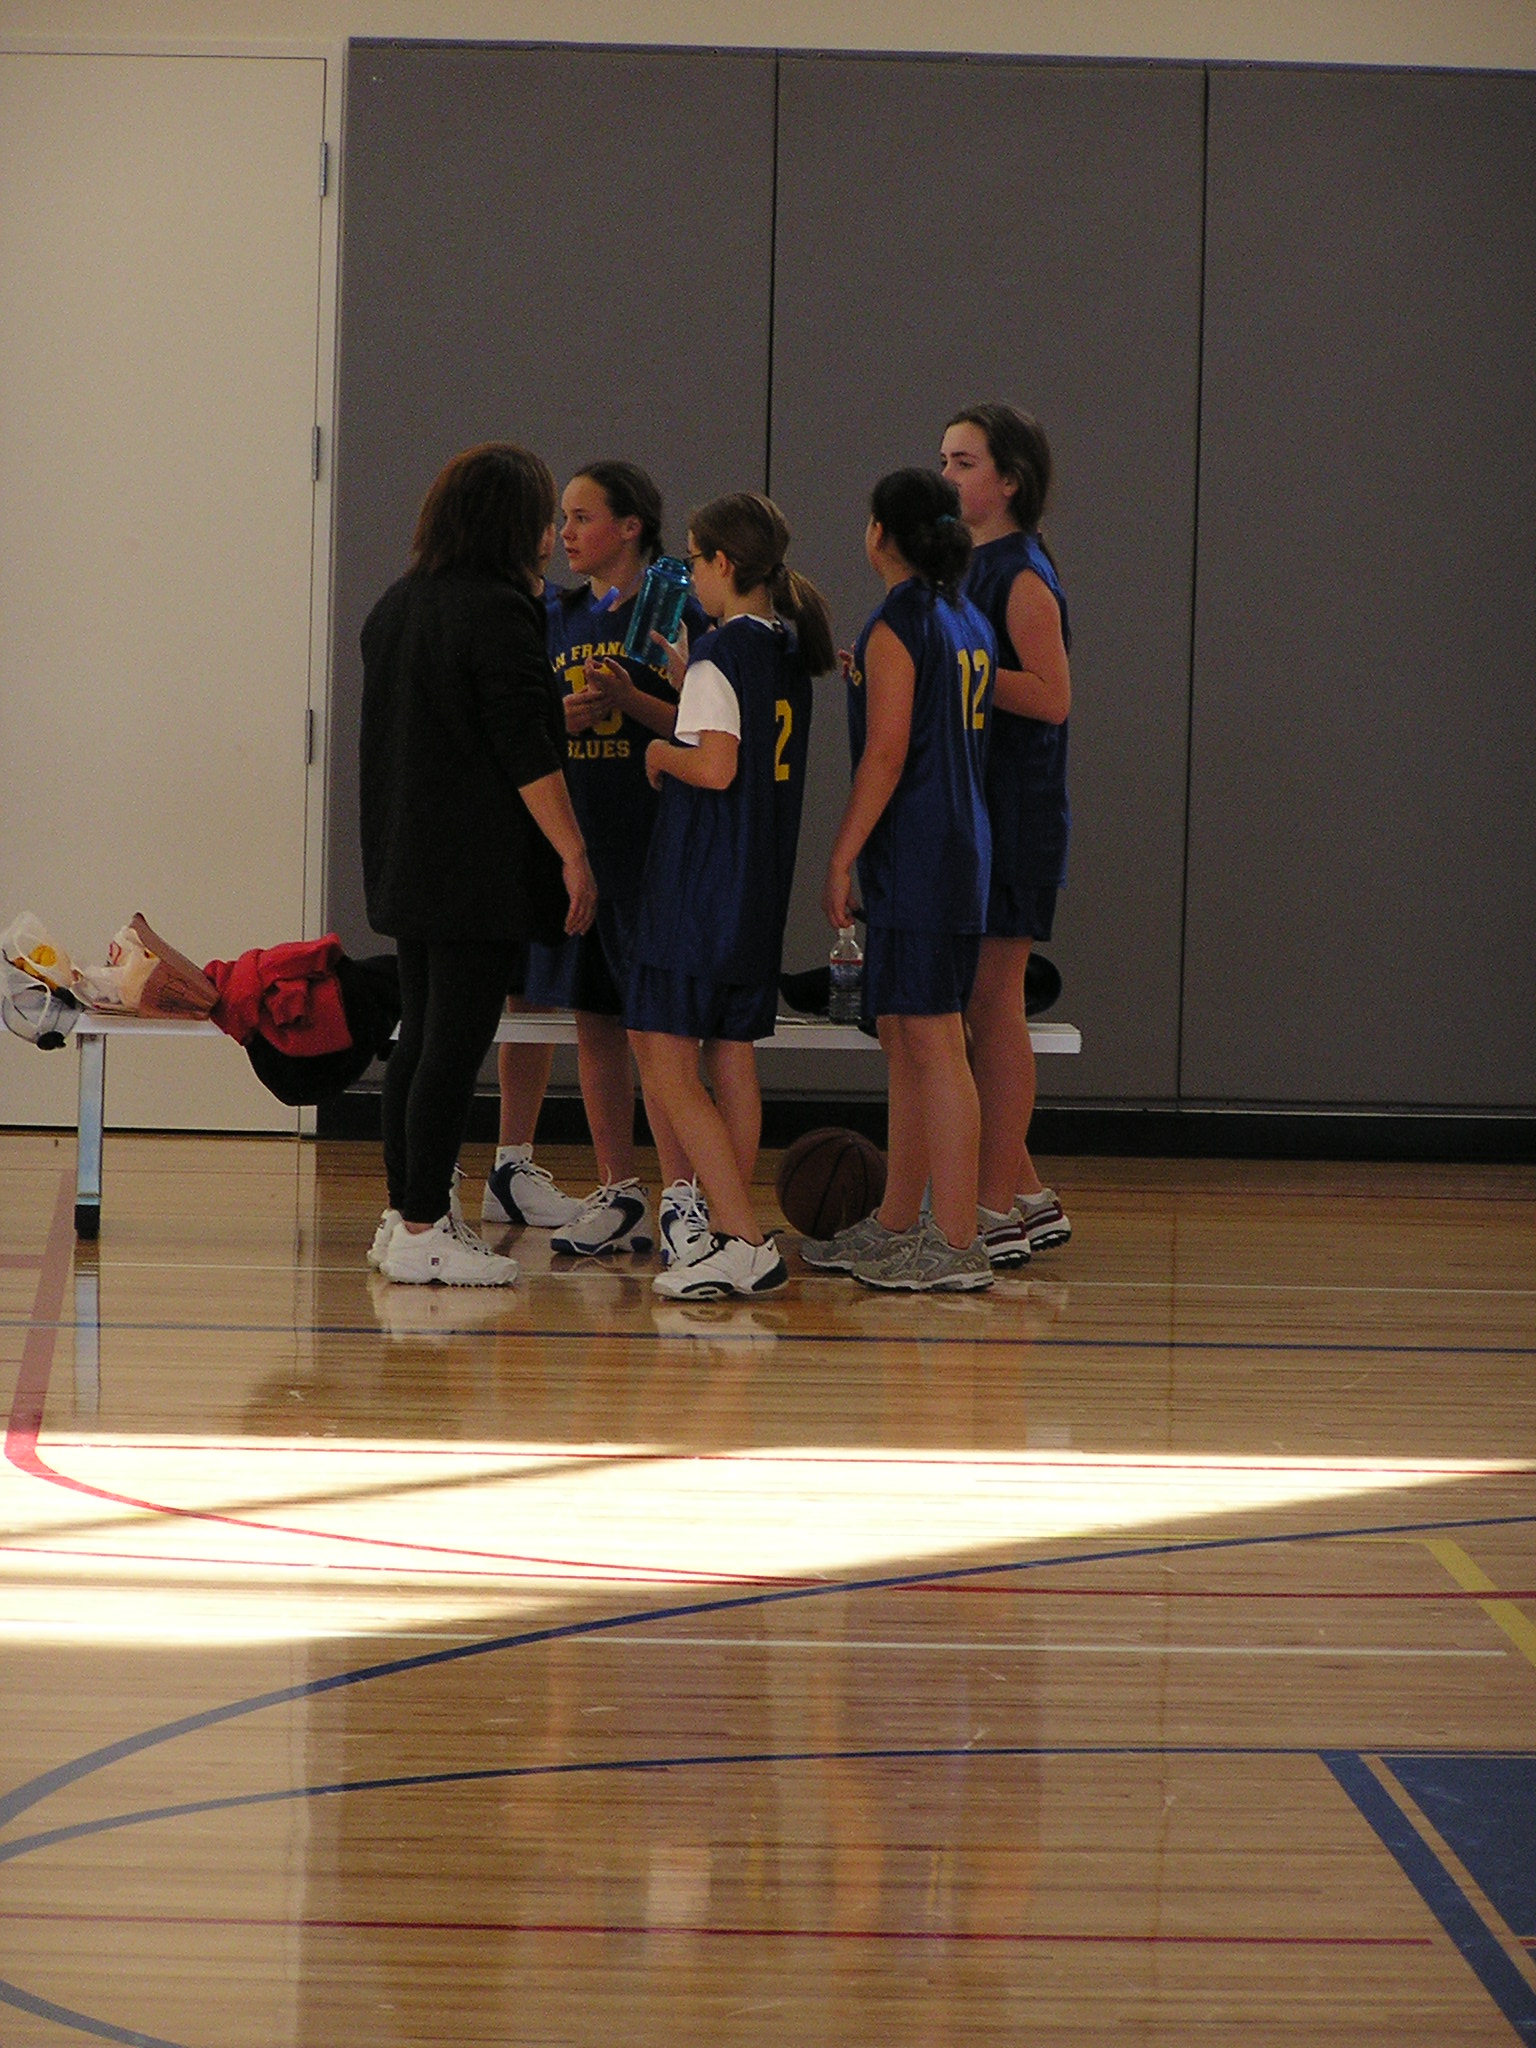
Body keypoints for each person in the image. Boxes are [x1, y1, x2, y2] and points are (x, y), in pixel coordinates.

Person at [359, 443, 596, 1287]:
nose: (551, 535)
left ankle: (405, 1213)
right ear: (513, 524)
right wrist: (573, 852)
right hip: (472, 868)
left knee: (420, 1040)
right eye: (543, 516)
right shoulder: (499, 611)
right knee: (450, 1048)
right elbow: (525, 752)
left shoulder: (398, 602)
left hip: (406, 856)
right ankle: (424, 1224)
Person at [484, 462, 713, 1263]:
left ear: (630, 526)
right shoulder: (556, 614)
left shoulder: (677, 607)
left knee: (660, 1034)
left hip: (655, 849)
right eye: (563, 516)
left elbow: (708, 727)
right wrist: (563, 716)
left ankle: (686, 1195)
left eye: (583, 517)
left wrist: (629, 703)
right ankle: (621, 1190)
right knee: (593, 1022)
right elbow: (525, 725)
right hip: (581, 850)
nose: (566, 532)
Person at [627, 492, 833, 1300]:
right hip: (756, 890)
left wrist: (657, 754)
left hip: (699, 890)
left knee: (666, 1061)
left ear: (721, 562)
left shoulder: (720, 652)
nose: (691, 575)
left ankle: (741, 1238)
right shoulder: (786, 649)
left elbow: (714, 766)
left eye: (693, 558)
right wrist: (690, 688)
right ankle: (729, 1231)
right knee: (733, 1058)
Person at [812, 468, 995, 1293]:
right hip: (955, 842)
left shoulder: (898, 623)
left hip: (922, 850)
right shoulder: (963, 616)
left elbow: (886, 756)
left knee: (935, 1041)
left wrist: (840, 854)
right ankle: (897, 1220)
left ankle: (955, 1239)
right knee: (904, 1036)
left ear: (880, 533)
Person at [939, 404, 1073, 1265]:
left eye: (964, 462)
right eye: (944, 461)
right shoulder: (969, 566)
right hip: (975, 808)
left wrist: (956, 669)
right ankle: (1026, 1192)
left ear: (1010, 481)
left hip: (1015, 813)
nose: (947, 477)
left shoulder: (1020, 573)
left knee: (994, 1004)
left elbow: (1052, 697)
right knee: (970, 1007)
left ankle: (990, 1207)